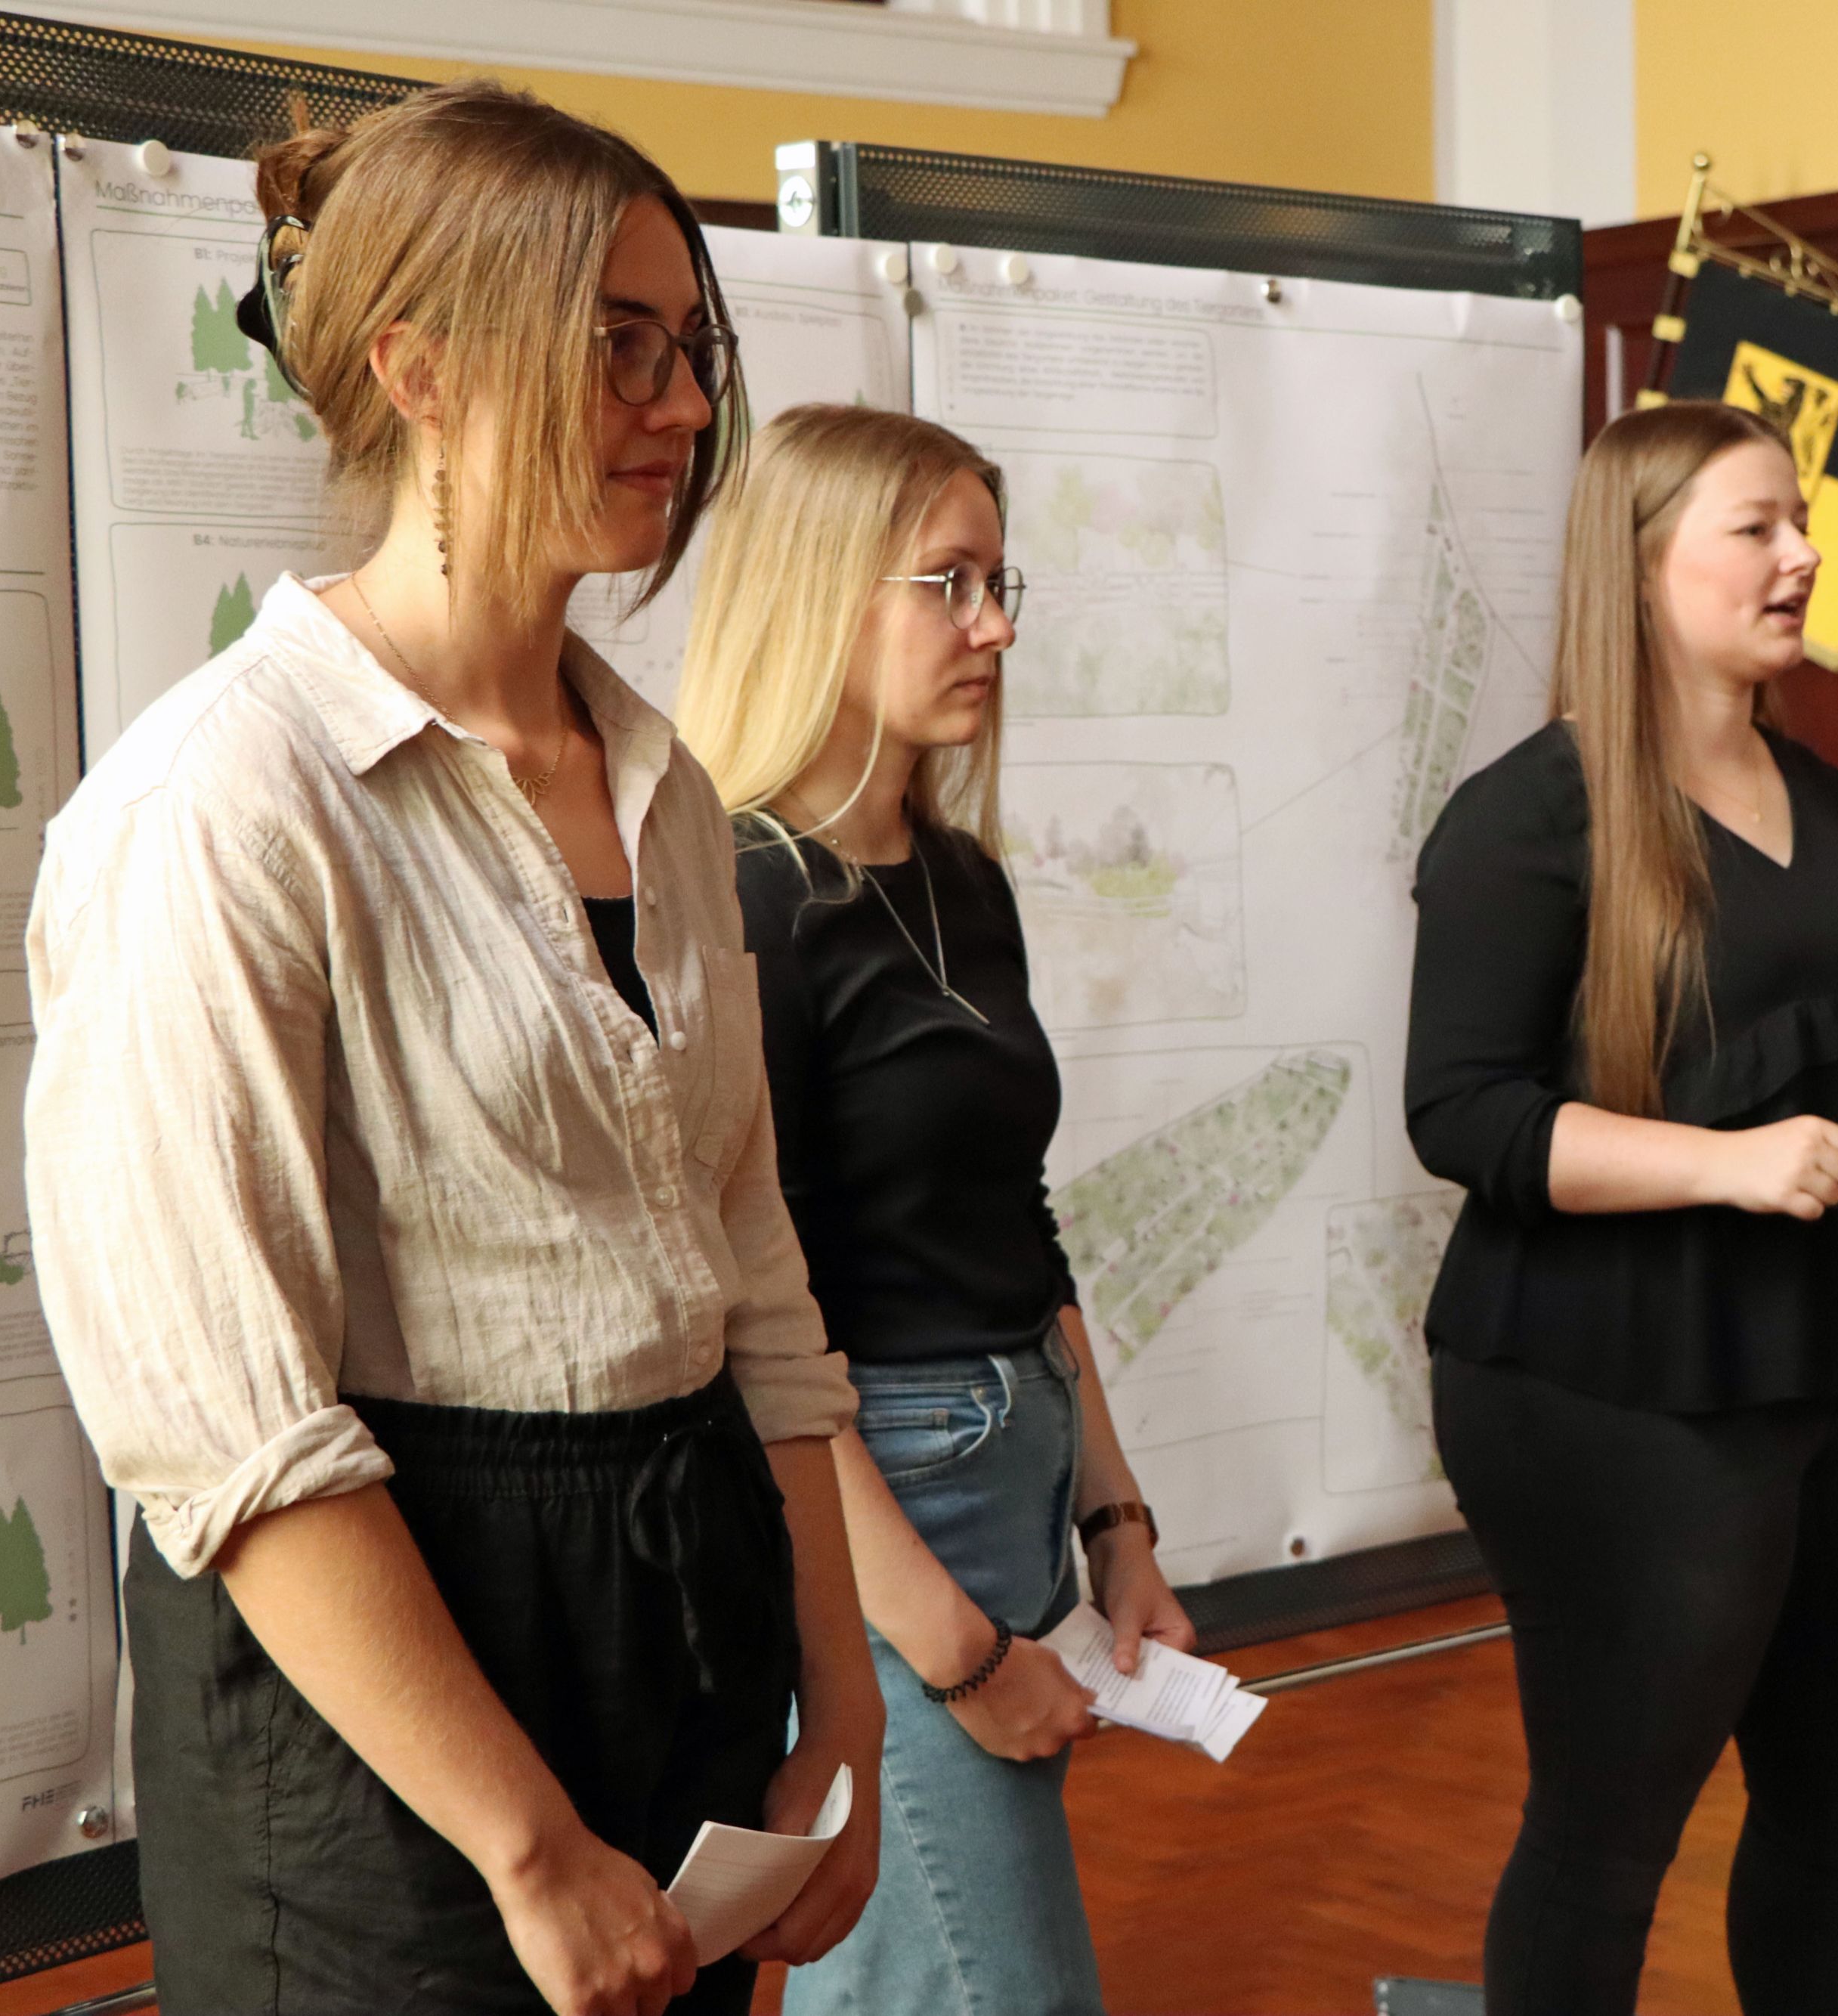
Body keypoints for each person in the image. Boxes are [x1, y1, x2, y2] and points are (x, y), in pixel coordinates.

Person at [23, 83, 881, 2016]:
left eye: (690, 349)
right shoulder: (223, 801)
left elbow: (750, 1266)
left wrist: (841, 1700)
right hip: (385, 1708)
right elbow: (230, 1425)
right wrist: (526, 1839)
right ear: (416, 365)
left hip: (676, 1618)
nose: (678, 409)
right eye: (617, 348)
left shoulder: (658, 789)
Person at [1406, 399, 1838, 2015]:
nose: (1800, 556)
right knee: (1605, 1832)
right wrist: (1723, 1164)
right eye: (1757, 527)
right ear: (1639, 568)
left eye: (1800, 523)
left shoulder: (1811, 786)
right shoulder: (1524, 817)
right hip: (1611, 1384)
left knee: (1835, 1817)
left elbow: (1820, 1061)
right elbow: (1462, 1111)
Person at [674, 402, 1194, 2016]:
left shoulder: (962, 876)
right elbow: (760, 1319)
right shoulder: (745, 895)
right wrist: (947, 1644)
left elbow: (1015, 1220)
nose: (997, 624)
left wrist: (1117, 1522)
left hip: (1011, 1484)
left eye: (998, 579)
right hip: (877, 1512)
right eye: (947, 583)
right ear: (823, 594)